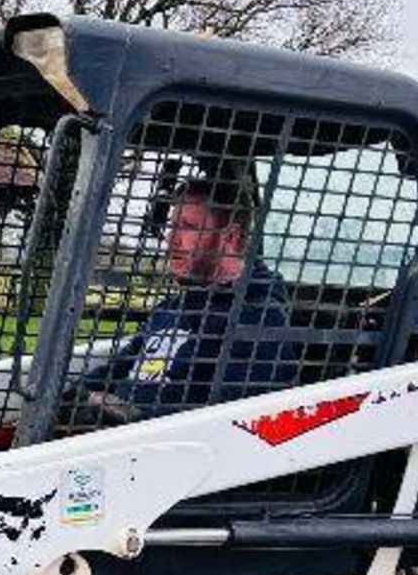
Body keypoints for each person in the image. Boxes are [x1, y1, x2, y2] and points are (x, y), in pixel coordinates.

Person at [67, 172, 294, 424]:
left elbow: (234, 420)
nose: (171, 239)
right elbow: (114, 369)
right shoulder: (172, 309)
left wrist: (130, 417)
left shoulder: (257, 317)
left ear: (229, 237)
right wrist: (75, 397)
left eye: (187, 227)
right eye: (172, 226)